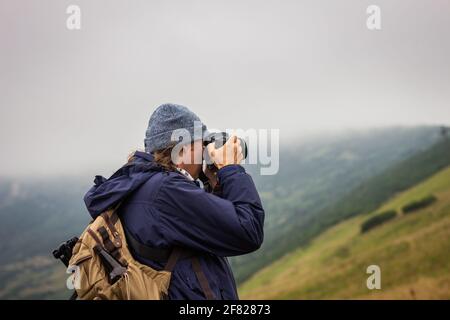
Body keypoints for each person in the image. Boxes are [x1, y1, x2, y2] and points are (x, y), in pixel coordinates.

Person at [83, 103, 265, 299]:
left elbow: (211, 232)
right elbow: (248, 230)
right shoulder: (167, 192)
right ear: (183, 149)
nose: (206, 151)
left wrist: (214, 183)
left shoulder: (141, 187)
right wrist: (231, 170)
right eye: (201, 143)